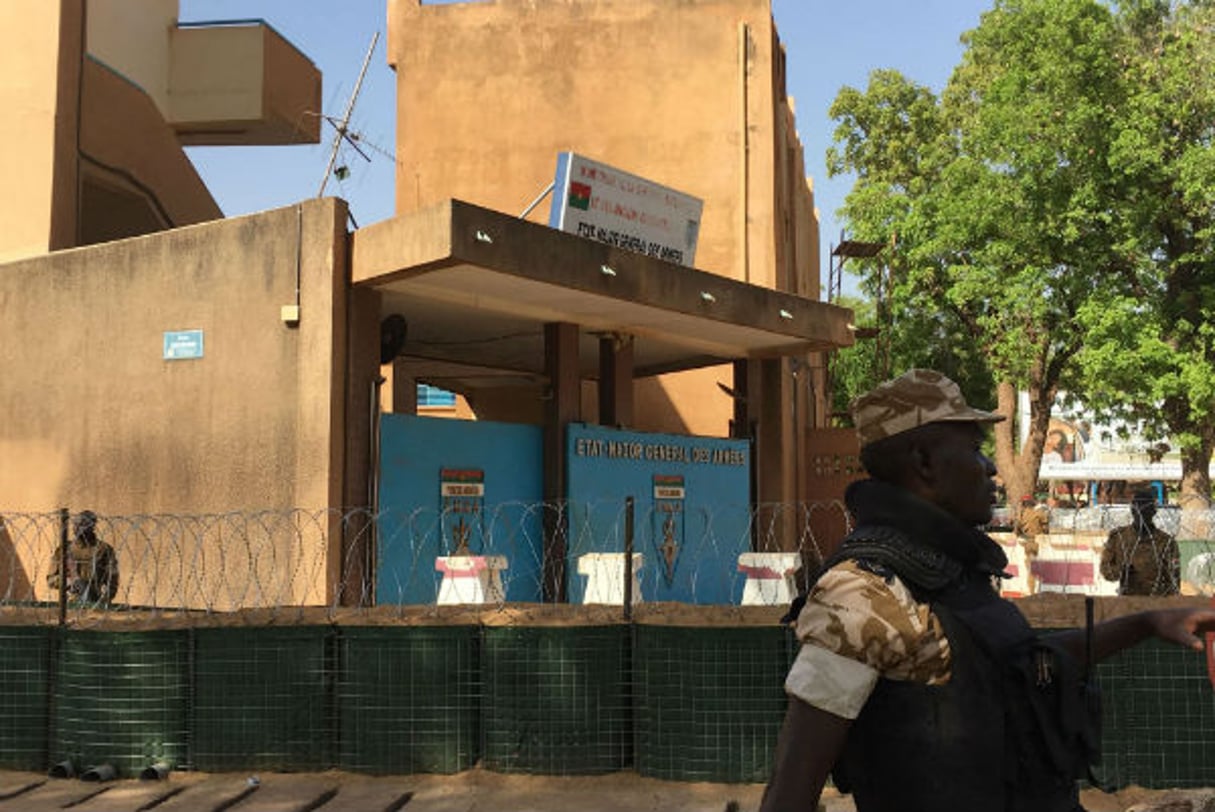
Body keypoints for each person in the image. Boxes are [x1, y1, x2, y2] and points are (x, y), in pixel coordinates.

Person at [760, 370, 1215, 812]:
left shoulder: (944, 572)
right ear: (923, 462)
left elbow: (1019, 662)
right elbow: (792, 785)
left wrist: (1148, 623)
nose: (992, 465)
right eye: (974, 448)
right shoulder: (861, 592)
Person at [1099, 489, 1180, 596]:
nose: (1142, 514)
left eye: (1146, 510)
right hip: (1128, 600)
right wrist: (1121, 571)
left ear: (1153, 512)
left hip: (1156, 601)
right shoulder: (1119, 538)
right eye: (1138, 509)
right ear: (1132, 510)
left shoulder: (1166, 542)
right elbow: (1105, 569)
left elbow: (1174, 580)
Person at [46, 510, 119, 605]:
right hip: (69, 604)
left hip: (95, 602)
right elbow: (50, 580)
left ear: (92, 526)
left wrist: (103, 601)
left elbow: (112, 581)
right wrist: (70, 582)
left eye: (83, 524)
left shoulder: (104, 550)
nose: (77, 528)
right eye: (76, 524)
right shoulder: (64, 549)